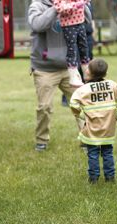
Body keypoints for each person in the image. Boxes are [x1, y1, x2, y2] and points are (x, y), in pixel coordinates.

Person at [28, 0, 84, 152]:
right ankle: (42, 140)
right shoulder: (37, 6)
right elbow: (37, 25)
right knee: (44, 107)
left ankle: (87, 140)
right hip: (44, 68)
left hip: (69, 67)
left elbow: (88, 20)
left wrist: (79, 4)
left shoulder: (71, 2)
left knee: (82, 103)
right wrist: (56, 8)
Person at [70, 58, 117, 183]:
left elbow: (73, 103)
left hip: (92, 129)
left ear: (88, 73)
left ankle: (94, 178)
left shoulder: (83, 90)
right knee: (107, 152)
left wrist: (82, 115)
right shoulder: (112, 85)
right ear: (105, 74)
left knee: (93, 153)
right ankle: (110, 177)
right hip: (108, 129)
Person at [61, 2, 94, 106]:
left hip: (86, 34)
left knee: (86, 64)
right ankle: (68, 98)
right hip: (72, 31)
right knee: (75, 66)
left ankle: (87, 96)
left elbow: (90, 17)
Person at [53, 0, 90, 87]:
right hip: (68, 25)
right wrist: (77, 4)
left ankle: (86, 71)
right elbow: (60, 8)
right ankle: (73, 75)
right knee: (72, 49)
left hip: (80, 23)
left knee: (84, 47)